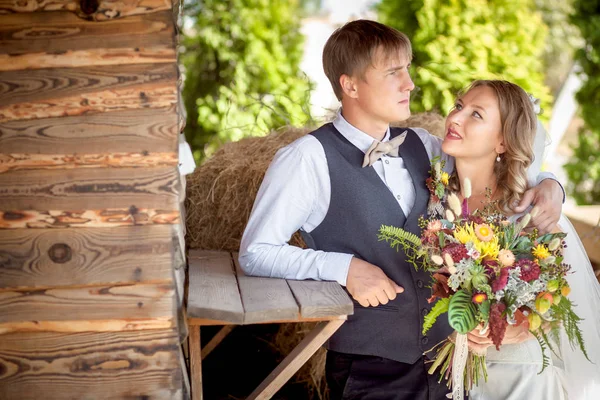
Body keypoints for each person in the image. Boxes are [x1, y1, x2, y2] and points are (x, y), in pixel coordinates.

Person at [239, 20, 565, 400]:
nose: (409, 83)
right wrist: (343, 267)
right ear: (351, 85)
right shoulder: (305, 159)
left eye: (407, 69)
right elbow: (255, 253)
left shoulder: (423, 146)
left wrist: (550, 184)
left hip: (447, 367)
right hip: (371, 368)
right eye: (394, 72)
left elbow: (495, 158)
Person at [440, 79, 600, 400]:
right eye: (458, 106)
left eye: (476, 114)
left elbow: (565, 299)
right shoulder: (434, 198)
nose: (455, 117)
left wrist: (518, 330)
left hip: (522, 378)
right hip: (453, 375)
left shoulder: (532, 212)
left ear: (502, 142)